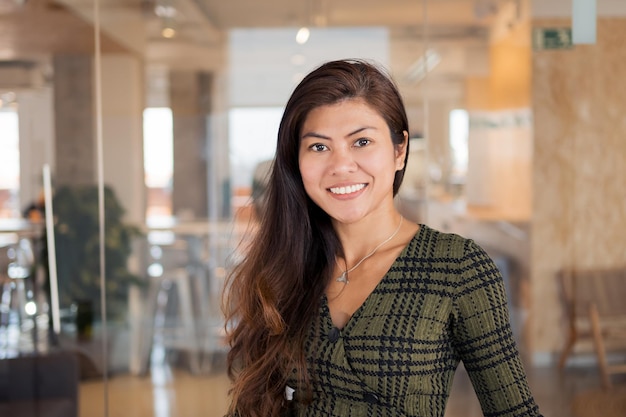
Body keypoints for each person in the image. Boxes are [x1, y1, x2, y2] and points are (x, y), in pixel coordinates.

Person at [223, 59, 542, 417]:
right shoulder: (284, 264)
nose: (341, 165)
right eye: (318, 146)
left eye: (361, 141)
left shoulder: (457, 268)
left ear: (399, 150)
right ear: (296, 160)